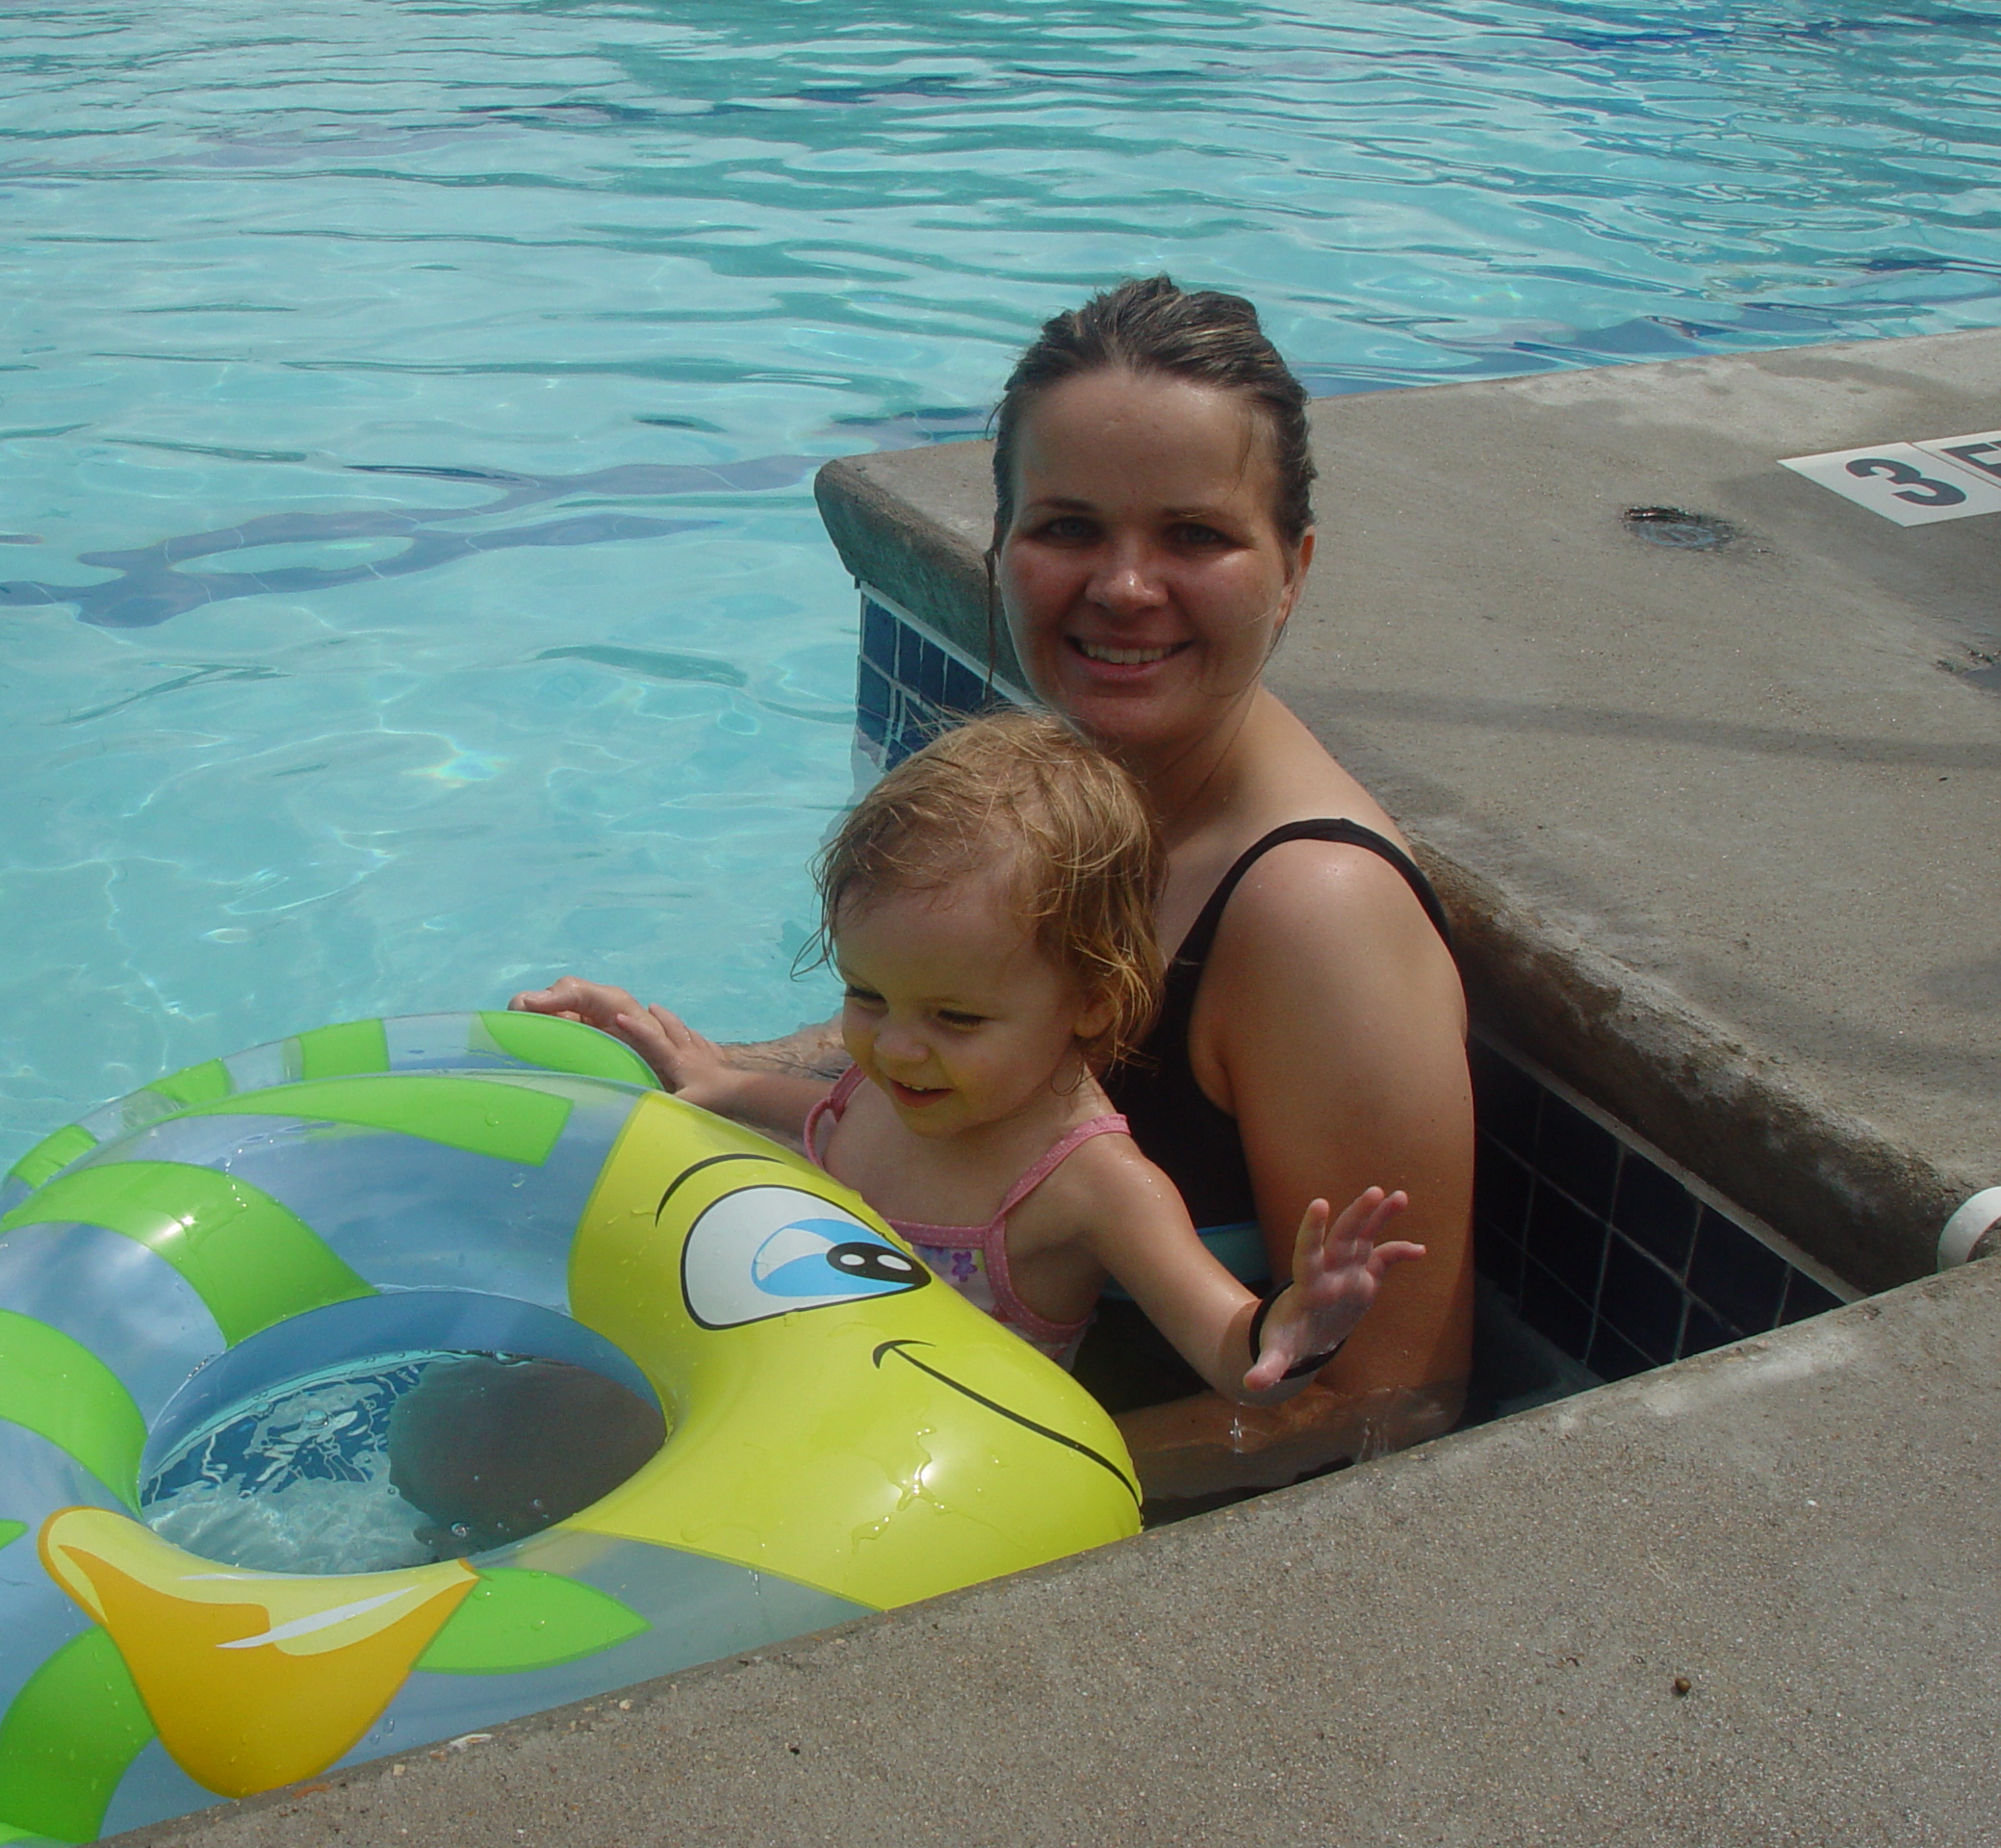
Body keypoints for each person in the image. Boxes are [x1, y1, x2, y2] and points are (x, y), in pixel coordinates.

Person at [516, 276, 1473, 1496]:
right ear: (1000, 546)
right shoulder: (1057, 798)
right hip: (874, 1372)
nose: (1123, 588)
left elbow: (1387, 1397)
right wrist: (697, 1063)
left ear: (1291, 569)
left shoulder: (1309, 917)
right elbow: (936, 1028)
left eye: (1193, 535)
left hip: (998, 1478)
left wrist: (897, 1482)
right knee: (468, 1416)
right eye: (1068, 527)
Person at [593, 709, 1424, 1402]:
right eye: (867, 996)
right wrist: (723, 1082)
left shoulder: (1091, 1183)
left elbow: (1224, 1348)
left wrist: (1293, 1332)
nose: (895, 1045)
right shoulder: (907, 1080)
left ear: (1091, 1003)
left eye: (955, 1016)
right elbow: (825, 1111)